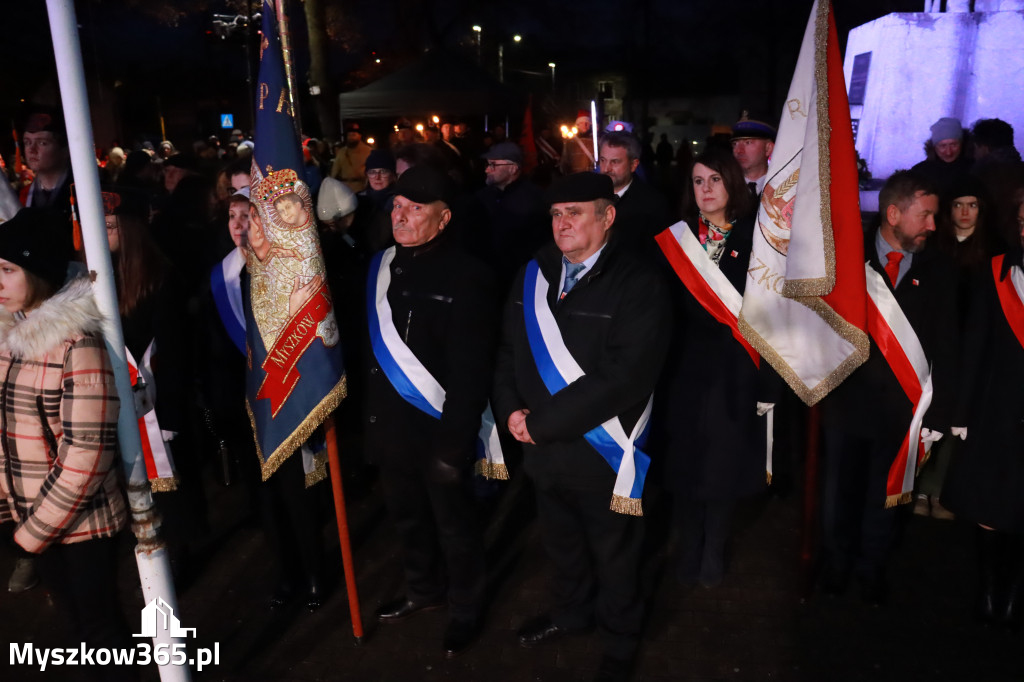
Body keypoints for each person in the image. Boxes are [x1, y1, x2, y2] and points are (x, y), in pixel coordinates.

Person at [493, 172, 670, 682]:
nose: (562, 222)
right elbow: (506, 351)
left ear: (607, 216)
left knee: (615, 556)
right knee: (561, 545)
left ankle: (620, 638)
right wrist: (510, 413)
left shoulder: (639, 282)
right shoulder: (534, 273)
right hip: (542, 451)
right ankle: (571, 615)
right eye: (555, 213)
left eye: (575, 212)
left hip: (602, 454)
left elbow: (626, 377)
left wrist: (541, 423)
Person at [366, 165, 497, 658]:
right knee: (407, 521)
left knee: (455, 527)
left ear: (443, 220)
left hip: (438, 429)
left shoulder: (470, 275)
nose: (400, 216)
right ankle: (424, 591)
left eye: (415, 209)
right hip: (391, 428)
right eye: (397, 206)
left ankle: (466, 606)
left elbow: (470, 369)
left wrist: (454, 444)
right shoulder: (380, 266)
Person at [0, 208, 135, 678]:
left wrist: (32, 531)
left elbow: (87, 451)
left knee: (99, 633)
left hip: (81, 525)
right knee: (78, 631)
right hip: (34, 518)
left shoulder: (77, 342)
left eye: (7, 269)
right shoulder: (11, 333)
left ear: (37, 272)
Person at [817, 170, 958, 605]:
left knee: (889, 496)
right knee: (839, 494)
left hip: (904, 411)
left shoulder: (941, 270)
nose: (934, 225)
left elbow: (949, 345)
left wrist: (939, 414)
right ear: (893, 213)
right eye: (926, 215)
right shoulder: (844, 258)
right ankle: (837, 565)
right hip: (845, 405)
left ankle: (871, 568)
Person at [650, 146, 769, 588]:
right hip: (682, 371)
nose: (705, 189)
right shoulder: (674, 239)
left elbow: (770, 314)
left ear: (732, 184)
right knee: (683, 465)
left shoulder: (758, 239)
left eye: (715, 180)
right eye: (698, 181)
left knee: (722, 466)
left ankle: (714, 550)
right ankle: (688, 548)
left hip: (735, 371)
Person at [103, 186, 206, 585]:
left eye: (111, 224)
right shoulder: (98, 274)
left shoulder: (159, 276)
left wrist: (173, 411)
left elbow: (176, 350)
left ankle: (179, 551)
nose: (104, 231)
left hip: (159, 399)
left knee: (170, 483)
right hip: (118, 399)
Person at [942, 195, 1024, 627]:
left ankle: (1013, 594)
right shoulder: (997, 271)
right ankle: (990, 591)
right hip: (999, 409)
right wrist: (962, 412)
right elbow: (974, 346)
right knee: (993, 504)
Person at [476, 141, 550, 292]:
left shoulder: (534, 199)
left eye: (494, 165)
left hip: (518, 279)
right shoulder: (481, 197)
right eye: (487, 164)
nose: (487, 170)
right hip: (486, 276)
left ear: (513, 168)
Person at [598, 131, 671, 251]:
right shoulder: (588, 196)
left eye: (614, 162)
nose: (606, 168)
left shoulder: (653, 204)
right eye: (603, 160)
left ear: (633, 165)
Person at [19, 110, 73, 219]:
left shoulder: (83, 192)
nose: (32, 150)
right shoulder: (24, 195)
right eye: (27, 142)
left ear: (65, 150)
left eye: (42, 142)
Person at [911, 117, 970, 194]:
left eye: (954, 145)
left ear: (962, 144)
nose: (949, 152)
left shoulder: (975, 169)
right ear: (934, 147)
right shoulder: (920, 172)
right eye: (943, 146)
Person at [730, 111, 776, 196]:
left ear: (768, 148)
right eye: (735, 144)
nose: (739, 150)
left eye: (748, 142)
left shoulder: (781, 188)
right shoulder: (724, 188)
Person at [330, 122, 372, 193]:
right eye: (349, 135)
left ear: (359, 136)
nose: (351, 137)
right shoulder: (342, 152)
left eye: (354, 135)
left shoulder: (368, 151)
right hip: (344, 188)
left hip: (362, 187)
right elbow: (335, 169)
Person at [560, 110, 596, 175]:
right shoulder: (570, 141)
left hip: (591, 176)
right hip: (575, 177)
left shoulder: (596, 141)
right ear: (578, 124)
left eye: (587, 123)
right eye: (582, 123)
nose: (585, 125)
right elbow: (565, 160)